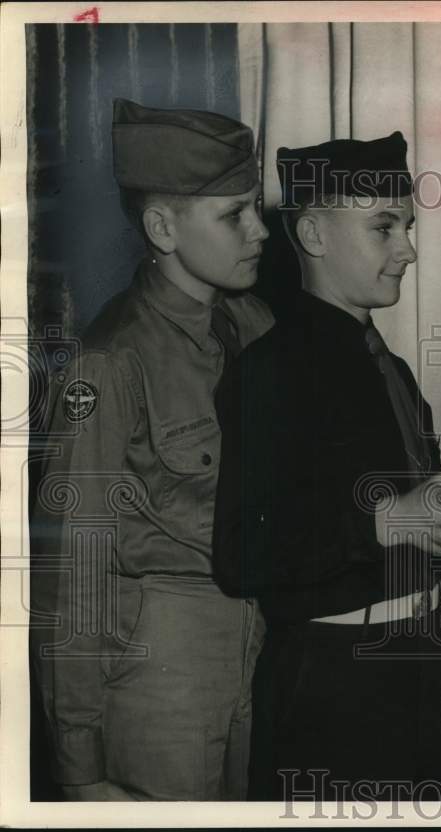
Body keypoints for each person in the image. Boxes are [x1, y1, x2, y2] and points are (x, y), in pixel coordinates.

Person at [211, 131, 441, 801]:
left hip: (424, 671)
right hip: (332, 690)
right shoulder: (268, 373)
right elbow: (242, 555)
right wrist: (385, 523)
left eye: (407, 226)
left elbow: (415, 532)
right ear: (316, 233)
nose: (408, 249)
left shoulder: (395, 371)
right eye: (384, 228)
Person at [30, 99, 274, 800]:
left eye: (254, 207)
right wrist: (78, 762)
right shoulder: (111, 361)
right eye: (233, 214)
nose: (258, 230)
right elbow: (71, 566)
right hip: (157, 669)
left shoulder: (252, 325)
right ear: (162, 228)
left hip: (253, 642)